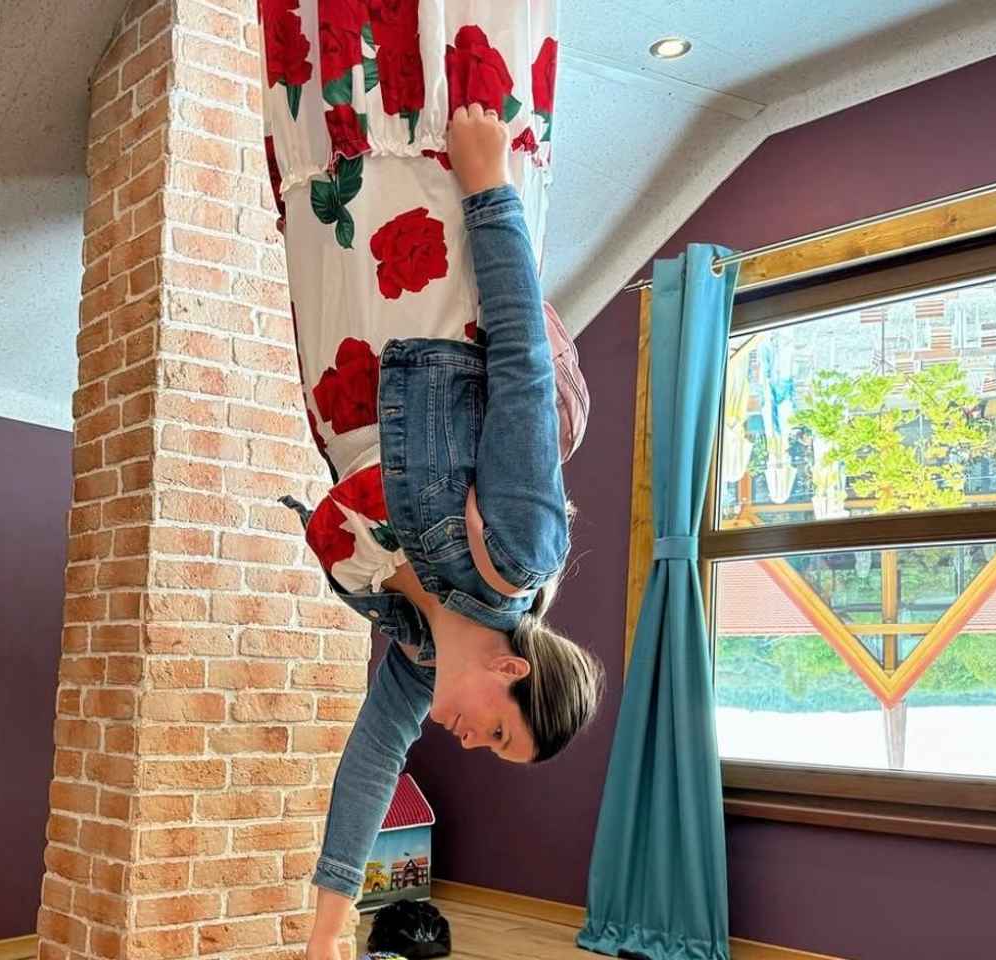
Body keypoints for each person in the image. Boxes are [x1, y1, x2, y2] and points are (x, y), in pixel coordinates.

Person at [254, 3, 605, 956]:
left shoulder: (417, 649)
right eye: (498, 734)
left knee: (329, 122)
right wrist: (489, 188)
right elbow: (522, 366)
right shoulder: (518, 555)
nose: (470, 743)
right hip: (422, 279)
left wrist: (326, 934)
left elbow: (372, 763)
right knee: (393, 90)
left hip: (344, 332)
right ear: (511, 672)